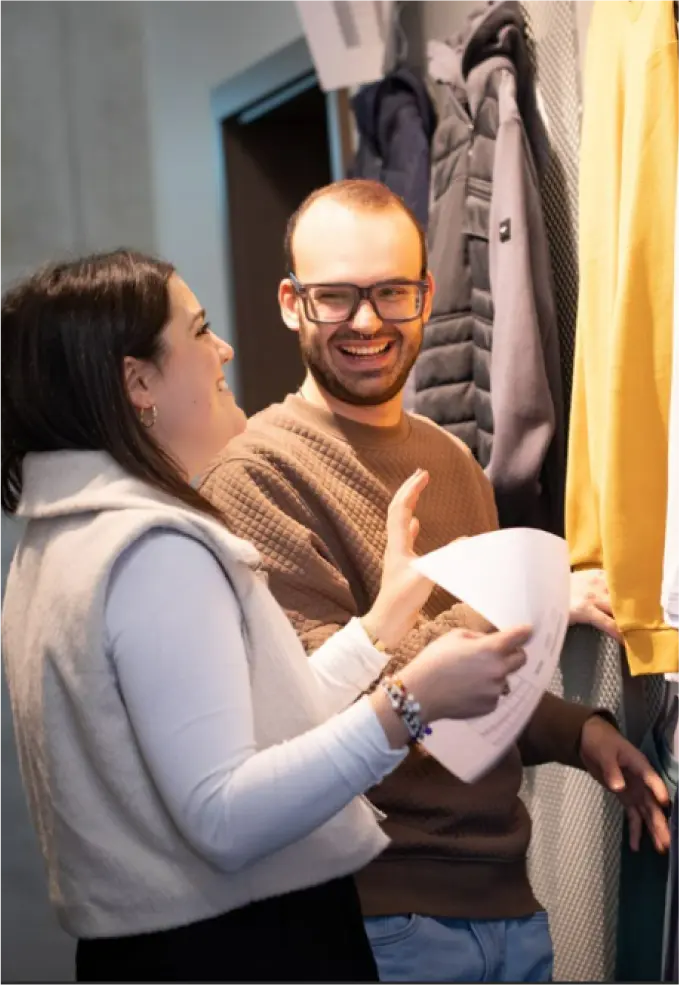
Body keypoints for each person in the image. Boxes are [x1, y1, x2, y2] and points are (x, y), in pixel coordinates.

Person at [0, 250, 535, 983]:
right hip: (241, 949)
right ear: (138, 381)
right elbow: (224, 815)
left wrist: (381, 622)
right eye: (200, 330)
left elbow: (256, 728)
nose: (222, 349)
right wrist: (407, 705)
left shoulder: (63, 540)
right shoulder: (151, 549)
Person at [199, 179, 672, 983]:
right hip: (372, 917)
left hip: (508, 907)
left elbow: (478, 702)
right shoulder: (253, 475)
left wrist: (576, 732)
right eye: (335, 297)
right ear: (289, 302)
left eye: (391, 292)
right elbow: (315, 706)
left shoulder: (451, 461)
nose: (367, 321)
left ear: (425, 295)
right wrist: (517, 612)